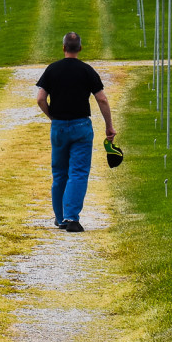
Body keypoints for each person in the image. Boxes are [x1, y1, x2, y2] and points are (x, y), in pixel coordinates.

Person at [35, 32, 115, 232]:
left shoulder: (52, 69)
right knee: (78, 172)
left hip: (59, 126)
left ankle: (60, 218)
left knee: (59, 172)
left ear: (63, 48)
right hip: (81, 127)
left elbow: (40, 98)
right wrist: (109, 126)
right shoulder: (86, 70)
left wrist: (52, 116)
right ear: (80, 48)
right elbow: (102, 99)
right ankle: (72, 218)